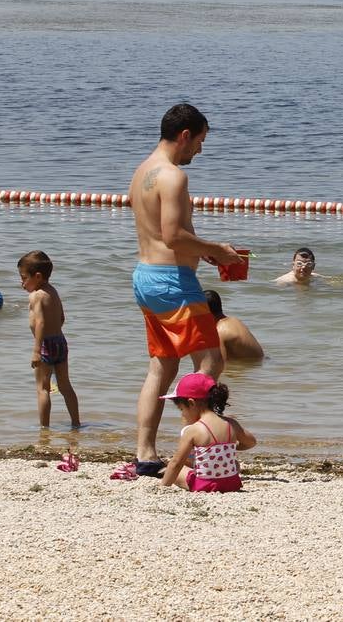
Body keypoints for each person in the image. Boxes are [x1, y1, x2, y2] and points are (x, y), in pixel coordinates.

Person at [129, 103, 239, 477]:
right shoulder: (173, 176)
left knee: (161, 366)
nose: (200, 150)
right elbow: (174, 236)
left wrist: (202, 251)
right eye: (200, 141)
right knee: (211, 360)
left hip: (147, 276)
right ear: (185, 135)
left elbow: (163, 234)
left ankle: (145, 453)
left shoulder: (142, 171)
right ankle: (197, 446)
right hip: (173, 281)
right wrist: (217, 249)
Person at [159, 373, 255, 492]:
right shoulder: (231, 423)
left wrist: (163, 487)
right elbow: (251, 442)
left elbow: (176, 463)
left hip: (204, 485)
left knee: (173, 468)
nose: (182, 414)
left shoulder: (193, 430)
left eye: (182, 409)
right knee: (234, 463)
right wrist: (226, 447)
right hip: (232, 484)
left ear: (191, 403)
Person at [19, 250, 80, 428]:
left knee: (43, 388)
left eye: (24, 278)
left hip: (45, 345)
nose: (22, 283)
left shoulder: (36, 296)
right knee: (65, 386)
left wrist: (37, 351)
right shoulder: (53, 291)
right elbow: (61, 318)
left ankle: (44, 429)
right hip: (60, 342)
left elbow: (40, 322)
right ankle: (76, 423)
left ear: (37, 276)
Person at [205, 289, 263, 362]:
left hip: (253, 366)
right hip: (261, 364)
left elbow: (220, 364)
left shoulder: (219, 332)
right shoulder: (235, 321)